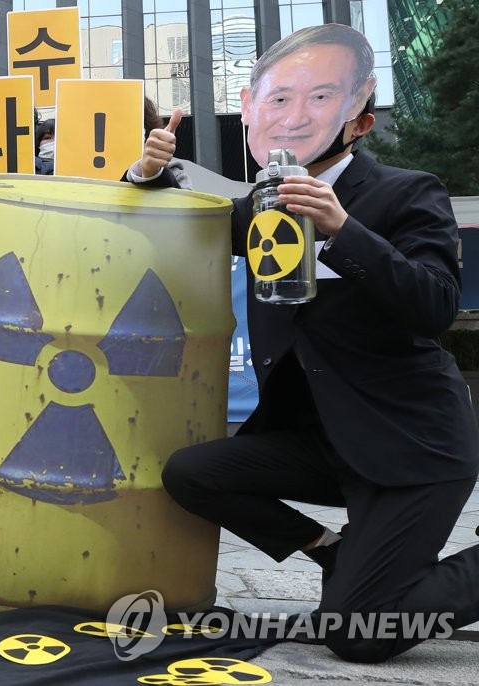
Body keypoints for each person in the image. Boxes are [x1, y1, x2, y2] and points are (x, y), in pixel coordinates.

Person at [129, 23, 479, 662]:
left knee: (358, 635)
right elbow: (176, 216)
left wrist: (342, 228)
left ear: (359, 123)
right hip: (320, 441)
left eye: (321, 98)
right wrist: (146, 172)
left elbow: (434, 307)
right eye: (280, 99)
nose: (294, 117)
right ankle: (333, 551)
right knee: (190, 473)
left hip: (410, 446)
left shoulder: (406, 191)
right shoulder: (259, 204)